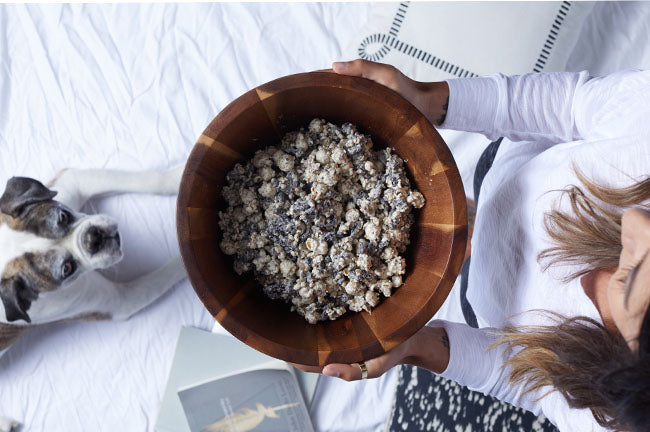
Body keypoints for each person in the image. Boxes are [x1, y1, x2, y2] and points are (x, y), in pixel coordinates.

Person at [295, 59, 650, 432]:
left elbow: (523, 379)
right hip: (512, 174)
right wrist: (426, 98)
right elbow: (570, 104)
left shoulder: (607, 418)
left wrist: (412, 346)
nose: (636, 220)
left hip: (487, 304)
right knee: (467, 201)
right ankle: (476, 214)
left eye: (632, 275)